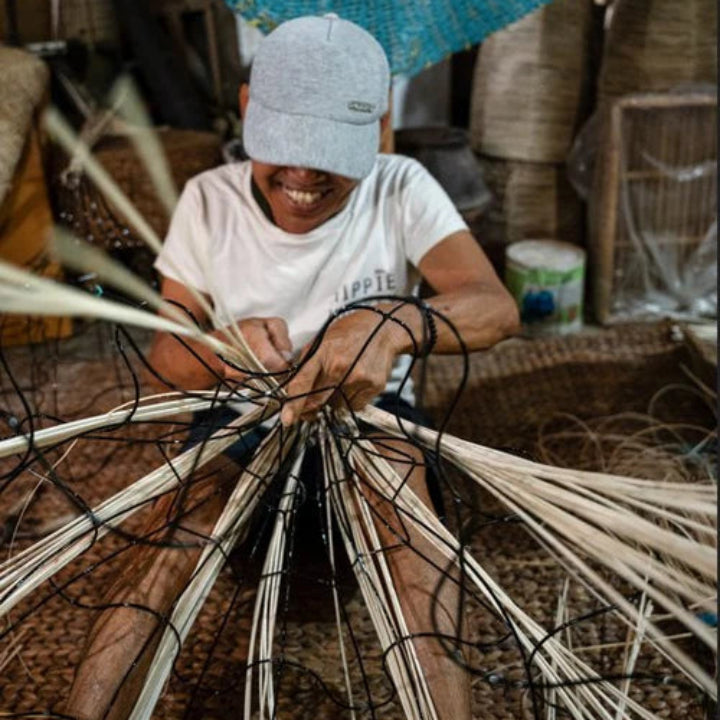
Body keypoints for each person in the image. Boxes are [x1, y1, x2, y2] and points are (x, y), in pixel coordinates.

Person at [66, 14, 519, 720]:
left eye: (329, 151)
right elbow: (166, 356)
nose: (303, 175)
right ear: (248, 110)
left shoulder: (399, 185)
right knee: (170, 529)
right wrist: (223, 347)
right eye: (284, 147)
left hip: (372, 417)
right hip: (240, 413)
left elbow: (494, 307)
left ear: (377, 129)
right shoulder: (208, 201)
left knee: (410, 519)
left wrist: (391, 322)